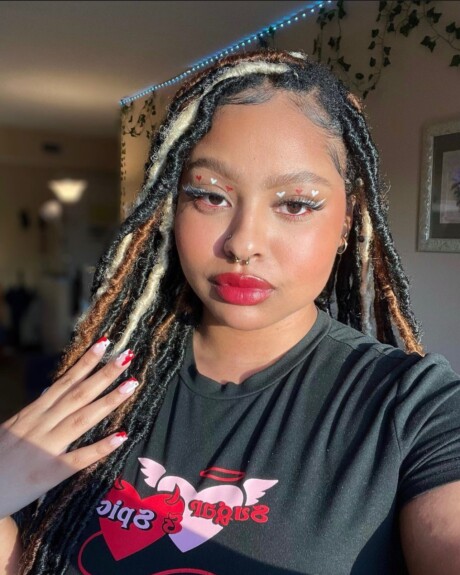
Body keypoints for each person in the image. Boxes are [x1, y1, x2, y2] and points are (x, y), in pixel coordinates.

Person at [1, 49, 460, 575]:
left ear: (346, 223)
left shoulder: (414, 408)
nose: (243, 243)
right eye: (209, 196)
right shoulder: (100, 385)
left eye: (295, 204)